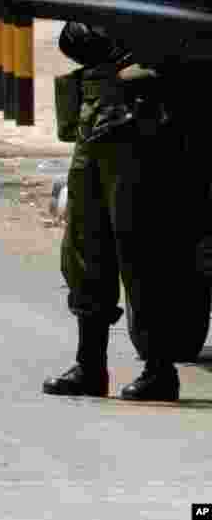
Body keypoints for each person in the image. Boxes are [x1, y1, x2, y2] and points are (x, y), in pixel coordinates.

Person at [44, 21, 184, 402]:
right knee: (84, 246)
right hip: (95, 117)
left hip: (138, 120)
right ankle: (90, 365)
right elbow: (73, 40)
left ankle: (159, 369)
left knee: (139, 250)